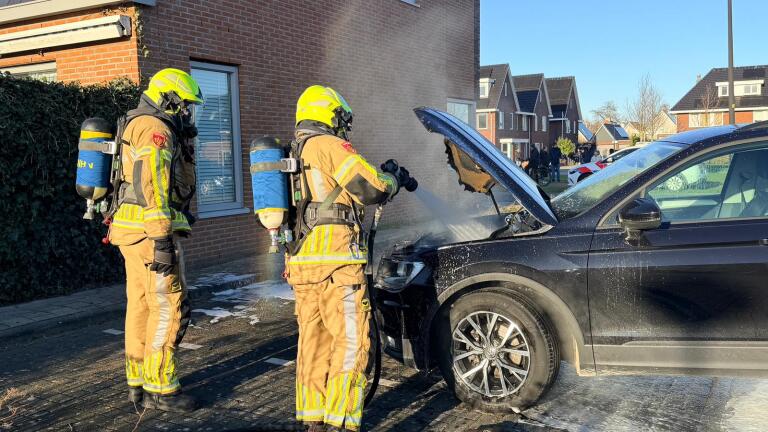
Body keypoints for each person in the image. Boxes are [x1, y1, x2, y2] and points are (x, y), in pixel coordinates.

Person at [286, 85, 416, 432]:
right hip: (336, 264)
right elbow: (371, 187)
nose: (344, 127)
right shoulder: (328, 145)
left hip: (302, 265)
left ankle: (313, 421)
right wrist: (393, 178)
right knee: (350, 341)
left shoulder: (294, 152)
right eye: (342, 119)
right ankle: (341, 422)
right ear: (329, 114)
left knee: (313, 343)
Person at [108, 68, 203, 412]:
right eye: (185, 106)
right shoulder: (155, 129)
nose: (187, 113)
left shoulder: (138, 123)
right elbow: (154, 186)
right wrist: (163, 240)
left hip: (131, 232)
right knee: (167, 306)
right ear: (170, 99)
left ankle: (138, 381)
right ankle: (162, 388)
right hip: (150, 235)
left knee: (141, 306)